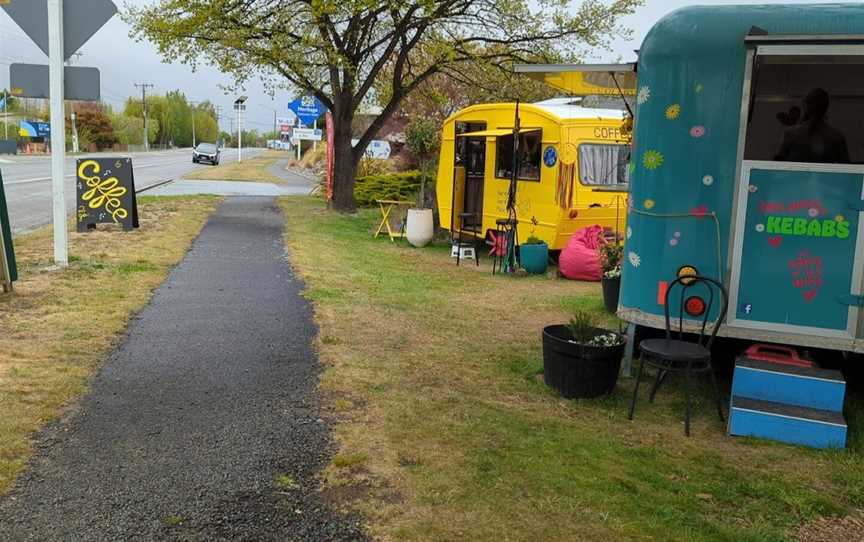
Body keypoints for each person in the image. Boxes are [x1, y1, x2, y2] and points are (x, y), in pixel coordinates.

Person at [775, 88, 849, 163]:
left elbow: (778, 164)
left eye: (806, 102)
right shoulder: (837, 136)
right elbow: (846, 167)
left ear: (806, 106)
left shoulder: (790, 134)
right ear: (826, 107)